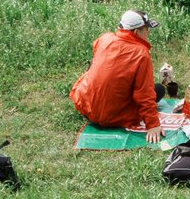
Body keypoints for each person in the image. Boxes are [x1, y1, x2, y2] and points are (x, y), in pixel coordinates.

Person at [71, 10, 168, 144]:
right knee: (159, 89)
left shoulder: (104, 39)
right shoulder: (141, 54)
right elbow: (144, 94)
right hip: (115, 117)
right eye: (146, 29)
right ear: (136, 32)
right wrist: (153, 125)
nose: (148, 32)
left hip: (87, 107)